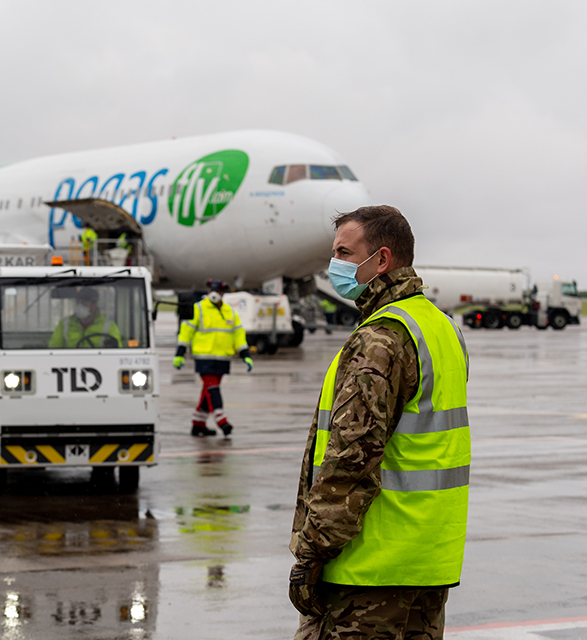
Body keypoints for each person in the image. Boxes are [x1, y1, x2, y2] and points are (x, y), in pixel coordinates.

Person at [288, 205, 470, 640]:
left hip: (368, 571)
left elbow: (350, 463)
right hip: (428, 564)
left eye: (345, 253)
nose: (335, 265)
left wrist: (311, 554)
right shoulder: (442, 329)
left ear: (382, 260)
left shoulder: (380, 339)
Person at [173, 279, 253, 437]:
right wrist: (179, 353)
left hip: (223, 358)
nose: (215, 294)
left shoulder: (229, 311)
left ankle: (198, 424)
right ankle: (222, 420)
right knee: (212, 388)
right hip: (204, 357)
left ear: (223, 294)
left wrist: (246, 354)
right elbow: (186, 331)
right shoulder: (199, 309)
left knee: (208, 390)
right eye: (212, 291)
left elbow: (238, 333)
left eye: (219, 291)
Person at [49, 287, 122, 349]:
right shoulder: (65, 324)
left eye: (84, 303)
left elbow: (118, 351)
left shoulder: (109, 326)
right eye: (78, 303)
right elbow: (53, 347)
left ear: (94, 305)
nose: (79, 306)